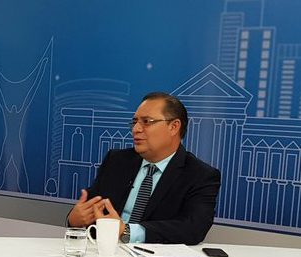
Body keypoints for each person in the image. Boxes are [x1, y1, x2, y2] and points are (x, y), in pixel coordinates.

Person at [67, 92, 221, 245]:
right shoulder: (116, 161)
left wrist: (126, 231)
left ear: (174, 127)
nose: (136, 129)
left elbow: (193, 228)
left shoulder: (200, 175)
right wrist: (74, 220)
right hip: (103, 252)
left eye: (146, 122)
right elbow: (89, 208)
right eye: (134, 122)